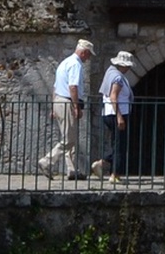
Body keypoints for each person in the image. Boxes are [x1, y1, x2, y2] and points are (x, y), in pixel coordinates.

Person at [44, 38, 92, 179]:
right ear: (83, 52)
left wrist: (54, 106)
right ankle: (47, 161)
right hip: (67, 102)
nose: (88, 58)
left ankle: (71, 170)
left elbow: (55, 86)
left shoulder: (64, 63)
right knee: (69, 139)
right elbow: (73, 87)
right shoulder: (75, 64)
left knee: (69, 137)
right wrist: (76, 106)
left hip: (59, 100)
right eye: (89, 55)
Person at [97, 50, 137, 180]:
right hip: (117, 114)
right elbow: (114, 96)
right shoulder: (118, 77)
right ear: (123, 65)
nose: (129, 68)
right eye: (128, 66)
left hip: (109, 113)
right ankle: (114, 174)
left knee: (117, 143)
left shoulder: (110, 73)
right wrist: (119, 116)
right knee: (120, 144)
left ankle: (106, 166)